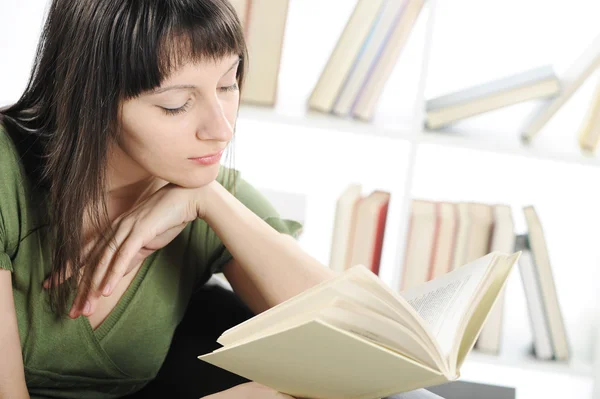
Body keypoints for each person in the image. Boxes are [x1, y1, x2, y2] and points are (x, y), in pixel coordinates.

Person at [0, 0, 337, 398]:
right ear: (91, 100)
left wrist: (208, 201)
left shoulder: (201, 188)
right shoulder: (8, 176)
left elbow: (361, 344)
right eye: (176, 105)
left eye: (228, 83)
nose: (222, 129)